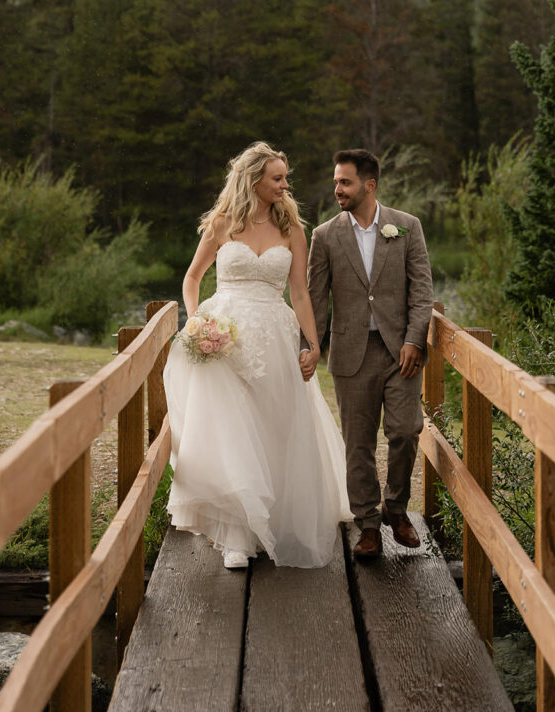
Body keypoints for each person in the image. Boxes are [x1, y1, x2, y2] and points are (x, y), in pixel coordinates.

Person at [163, 141, 351, 570]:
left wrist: (312, 342)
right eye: (278, 178)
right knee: (231, 429)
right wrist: (196, 322)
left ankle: (274, 520)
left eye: (285, 177)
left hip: (275, 336)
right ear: (254, 181)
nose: (286, 184)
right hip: (224, 335)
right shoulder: (223, 224)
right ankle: (236, 535)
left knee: (273, 427)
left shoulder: (292, 230)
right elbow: (193, 279)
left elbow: (300, 293)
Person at [304, 148, 433, 559]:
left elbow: (422, 290)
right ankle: (367, 525)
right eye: (336, 181)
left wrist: (415, 338)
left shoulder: (407, 227)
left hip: (401, 353)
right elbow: (314, 298)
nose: (337, 189)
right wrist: (308, 347)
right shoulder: (324, 236)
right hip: (350, 354)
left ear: (369, 185)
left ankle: (396, 509)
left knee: (405, 431)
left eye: (345, 182)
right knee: (357, 443)